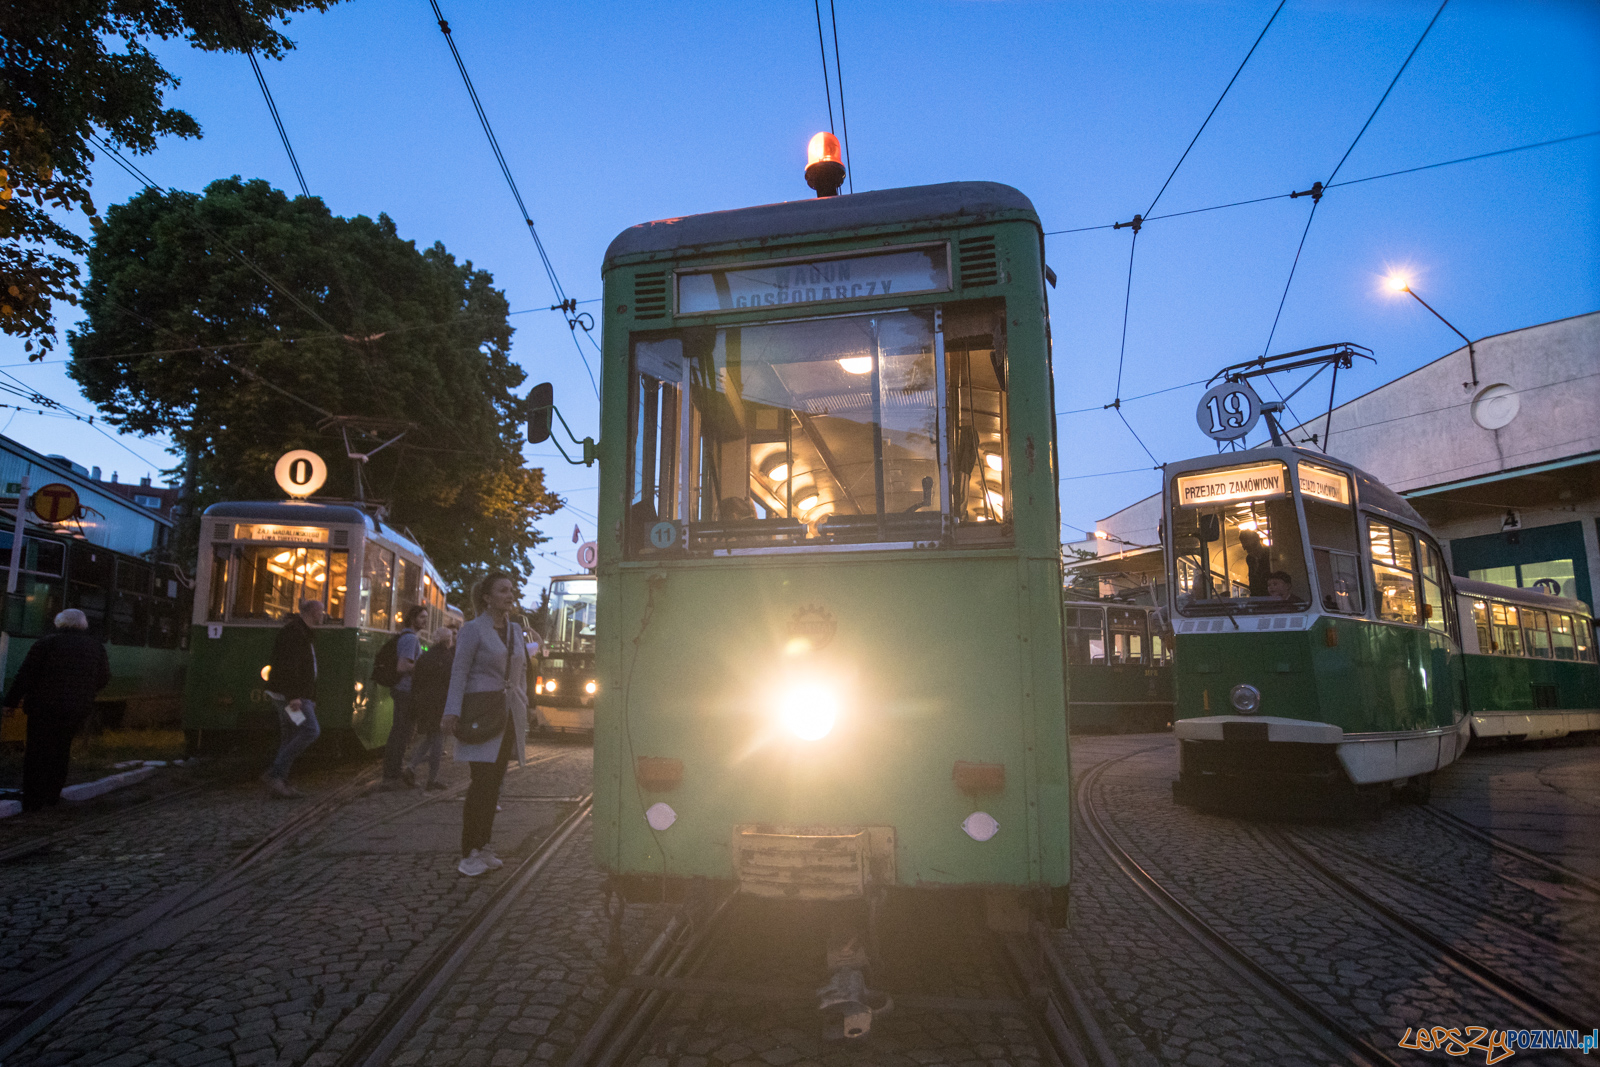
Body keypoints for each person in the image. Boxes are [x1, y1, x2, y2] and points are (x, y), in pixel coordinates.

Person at [442, 569, 529, 877]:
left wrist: (525, 706)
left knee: (494, 785)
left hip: (508, 714)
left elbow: (521, 672)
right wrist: (451, 711)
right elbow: (459, 672)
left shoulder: (515, 630)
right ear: (487, 597)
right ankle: (469, 852)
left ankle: (484, 845)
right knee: (481, 783)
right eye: (503, 590)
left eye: (512, 590)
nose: (510, 595)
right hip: (481, 712)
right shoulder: (472, 629)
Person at [3, 609, 111, 812]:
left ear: (59, 622)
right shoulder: (95, 647)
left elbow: (25, 675)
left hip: (43, 707)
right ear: (83, 624)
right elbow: (104, 677)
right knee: (61, 749)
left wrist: (10, 702)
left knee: (37, 752)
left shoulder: (45, 643)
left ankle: (33, 799)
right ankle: (52, 795)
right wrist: (84, 693)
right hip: (75, 709)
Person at [263, 598, 324, 798]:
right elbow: (289, 667)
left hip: (292, 695)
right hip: (290, 697)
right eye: (321, 612)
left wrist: (310, 696)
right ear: (312, 612)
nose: (323, 615)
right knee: (310, 730)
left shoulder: (301, 632)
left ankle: (280, 782)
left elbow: (306, 668)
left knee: (290, 735)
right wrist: (294, 697)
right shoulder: (295, 633)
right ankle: (275, 774)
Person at [379, 605, 430, 790]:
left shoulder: (406, 637)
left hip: (403, 690)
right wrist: (422, 667)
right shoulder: (410, 639)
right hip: (405, 690)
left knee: (401, 732)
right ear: (412, 618)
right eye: (422, 617)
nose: (425, 621)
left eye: (426, 617)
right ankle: (393, 774)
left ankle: (393, 771)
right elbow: (402, 666)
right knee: (401, 733)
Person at [407, 625, 456, 790]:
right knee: (438, 741)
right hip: (440, 704)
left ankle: (410, 768)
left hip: (424, 702)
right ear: (448, 641)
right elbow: (451, 683)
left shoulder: (424, 657)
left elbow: (416, 681)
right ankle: (432, 779)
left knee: (430, 737)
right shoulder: (448, 659)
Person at [1238, 529, 1271, 597]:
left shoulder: (1271, 555)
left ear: (1259, 542)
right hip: (1257, 596)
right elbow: (1253, 581)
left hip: (1270, 594)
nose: (1250, 551)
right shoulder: (1250, 559)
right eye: (1246, 548)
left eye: (1252, 547)